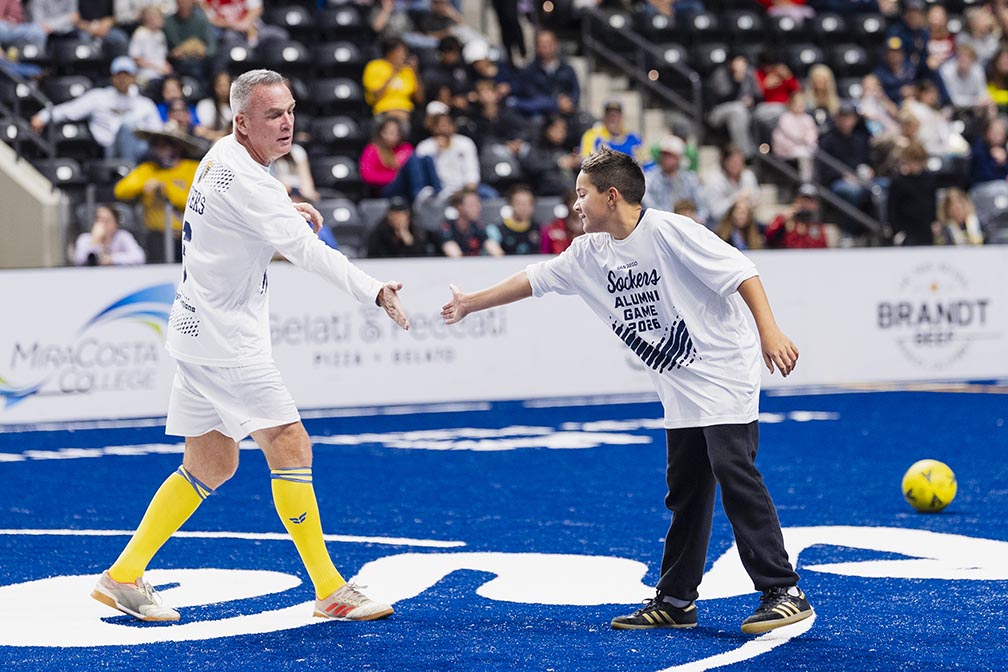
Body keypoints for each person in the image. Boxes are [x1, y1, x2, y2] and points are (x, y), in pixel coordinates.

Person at [440, 147, 812, 636]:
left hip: (723, 367)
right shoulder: (589, 253)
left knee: (731, 467)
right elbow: (533, 280)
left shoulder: (669, 231)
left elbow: (741, 271)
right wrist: (470, 302)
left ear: (610, 196)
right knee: (686, 488)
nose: (574, 205)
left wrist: (771, 331)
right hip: (678, 382)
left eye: (582, 194)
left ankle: (783, 590)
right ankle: (677, 600)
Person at [90, 69, 408, 624]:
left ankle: (122, 576)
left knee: (211, 461)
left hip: (194, 330)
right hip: (225, 340)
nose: (286, 123)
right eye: (272, 115)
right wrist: (372, 288)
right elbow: (308, 253)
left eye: (289, 111)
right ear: (243, 121)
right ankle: (330, 589)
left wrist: (287, 207)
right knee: (291, 444)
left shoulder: (221, 153)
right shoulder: (250, 181)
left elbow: (252, 202)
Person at [30, 55, 162, 163]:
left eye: (127, 76)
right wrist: (43, 116)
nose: (123, 80)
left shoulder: (145, 104)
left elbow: (157, 132)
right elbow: (69, 110)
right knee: (125, 127)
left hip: (141, 150)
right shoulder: (99, 96)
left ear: (133, 78)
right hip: (109, 149)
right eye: (119, 76)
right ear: (112, 77)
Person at [113, 121, 202, 262]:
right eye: (155, 146)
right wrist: (144, 185)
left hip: (190, 237)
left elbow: (195, 202)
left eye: (163, 146)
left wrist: (165, 188)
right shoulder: (148, 169)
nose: (158, 150)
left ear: (176, 147)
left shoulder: (192, 169)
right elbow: (121, 190)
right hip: (156, 238)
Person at [642, 135, 709, 226]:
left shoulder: (690, 179)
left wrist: (696, 220)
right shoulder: (650, 177)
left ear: (679, 158)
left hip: (688, 225)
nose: (665, 159)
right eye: (663, 155)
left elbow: (703, 207)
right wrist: (670, 219)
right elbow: (647, 204)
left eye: (670, 156)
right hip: (661, 225)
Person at [362, 37, 423, 124]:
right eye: (401, 52)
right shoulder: (374, 66)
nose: (404, 56)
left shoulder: (408, 70)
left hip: (407, 111)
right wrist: (393, 73)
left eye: (405, 52)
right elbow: (376, 97)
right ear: (389, 52)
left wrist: (416, 73)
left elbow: (420, 100)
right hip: (383, 110)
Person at [72, 203, 146, 266]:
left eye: (106, 221)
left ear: (115, 224)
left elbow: (139, 257)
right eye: (99, 220)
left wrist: (112, 259)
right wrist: (95, 242)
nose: (102, 224)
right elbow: (79, 260)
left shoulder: (123, 236)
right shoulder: (85, 238)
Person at [439, 187, 504, 257]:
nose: (477, 208)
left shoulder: (477, 227)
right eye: (472, 205)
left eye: (477, 204)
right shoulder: (447, 227)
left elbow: (495, 250)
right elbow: (454, 255)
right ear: (459, 207)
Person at [765, 183, 829, 248]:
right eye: (802, 200)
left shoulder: (817, 227)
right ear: (796, 200)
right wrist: (783, 219)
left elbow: (821, 249)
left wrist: (805, 232)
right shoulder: (786, 221)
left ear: (815, 205)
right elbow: (769, 237)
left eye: (809, 201)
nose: (805, 204)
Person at [365, 196, 431, 257]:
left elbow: (423, 254)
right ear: (388, 215)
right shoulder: (379, 230)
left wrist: (410, 242)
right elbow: (374, 253)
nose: (396, 218)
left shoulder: (415, 229)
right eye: (393, 215)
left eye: (400, 215)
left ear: (407, 215)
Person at [495, 184, 542, 255]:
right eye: (519, 203)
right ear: (511, 204)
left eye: (527, 204)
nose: (523, 208)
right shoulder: (499, 230)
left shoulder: (539, 229)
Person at [540, 188, 582, 254]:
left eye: (581, 201)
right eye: (573, 201)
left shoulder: (594, 225)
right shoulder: (556, 226)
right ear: (567, 205)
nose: (578, 206)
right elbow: (549, 251)